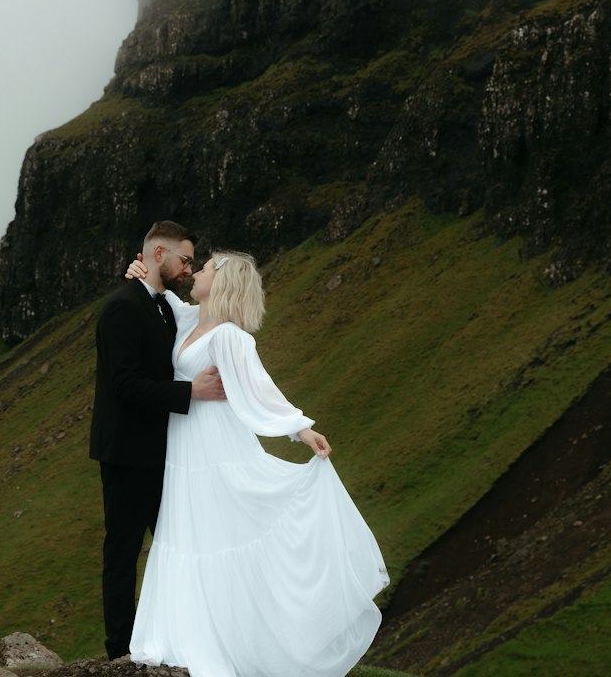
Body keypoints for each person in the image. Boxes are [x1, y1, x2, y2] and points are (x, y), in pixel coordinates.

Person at [120, 248, 389, 677]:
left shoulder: (228, 336)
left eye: (204, 268)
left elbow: (260, 389)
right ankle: (188, 640)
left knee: (217, 538)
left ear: (221, 281)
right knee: (189, 535)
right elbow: (166, 301)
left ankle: (239, 644)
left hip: (216, 450)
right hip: (186, 453)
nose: (195, 273)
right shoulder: (193, 321)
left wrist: (301, 428)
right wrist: (142, 275)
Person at [90, 220, 226, 661]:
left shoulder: (164, 307)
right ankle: (119, 653)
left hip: (161, 454)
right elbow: (125, 386)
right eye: (185, 259)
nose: (189, 269)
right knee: (123, 553)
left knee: (175, 547)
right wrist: (192, 393)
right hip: (127, 455)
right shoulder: (121, 308)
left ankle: (172, 641)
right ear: (159, 255)